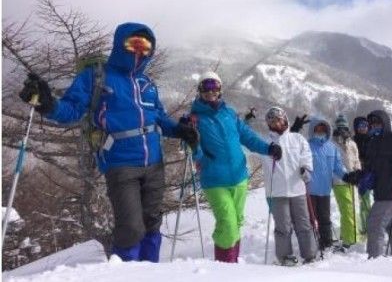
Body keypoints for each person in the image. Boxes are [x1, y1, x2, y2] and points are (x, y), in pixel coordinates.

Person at [18, 22, 199, 262]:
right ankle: (124, 272)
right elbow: (71, 109)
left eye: (145, 46)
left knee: (152, 224)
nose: (139, 50)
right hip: (120, 163)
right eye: (133, 43)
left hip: (155, 163)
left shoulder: (147, 84)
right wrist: (48, 105)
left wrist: (179, 130)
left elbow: (159, 118)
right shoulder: (96, 76)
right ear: (119, 44)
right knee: (131, 228)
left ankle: (151, 274)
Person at [190, 72, 282, 263]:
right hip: (215, 180)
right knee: (228, 224)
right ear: (200, 91)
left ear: (220, 89)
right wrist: (197, 154)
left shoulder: (229, 113)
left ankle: (232, 265)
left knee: (237, 222)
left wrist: (268, 148)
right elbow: (191, 147)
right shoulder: (195, 118)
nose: (210, 91)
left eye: (214, 86)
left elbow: (247, 136)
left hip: (240, 177)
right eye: (206, 87)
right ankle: (225, 268)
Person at [343, 110, 392, 259]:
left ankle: (375, 260)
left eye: (378, 123)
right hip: (381, 190)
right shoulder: (372, 143)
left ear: (385, 123)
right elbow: (370, 169)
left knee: (375, 223)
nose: (375, 126)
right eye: (372, 124)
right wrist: (357, 176)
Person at [258, 106, 316, 266]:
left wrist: (306, 168)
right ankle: (285, 257)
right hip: (277, 192)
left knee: (304, 223)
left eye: (278, 119)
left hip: (297, 189)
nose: (276, 123)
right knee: (283, 226)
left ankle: (310, 254)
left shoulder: (297, 139)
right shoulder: (265, 143)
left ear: (285, 119)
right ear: (268, 124)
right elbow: (248, 141)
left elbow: (306, 155)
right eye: (272, 120)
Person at [307, 118, 345, 251]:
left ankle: (326, 242)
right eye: (317, 129)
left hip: (325, 190)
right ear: (312, 130)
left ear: (327, 131)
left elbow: (338, 167)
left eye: (323, 130)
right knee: (311, 219)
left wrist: (348, 176)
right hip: (310, 190)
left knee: (325, 217)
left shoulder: (332, 148)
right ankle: (311, 243)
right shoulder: (306, 145)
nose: (320, 132)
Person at [331, 114, 362, 250]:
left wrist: (358, 173)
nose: (342, 130)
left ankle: (346, 234)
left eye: (344, 127)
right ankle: (351, 240)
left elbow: (356, 161)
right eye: (340, 127)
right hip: (339, 181)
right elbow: (333, 164)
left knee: (351, 208)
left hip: (352, 181)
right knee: (347, 209)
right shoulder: (332, 143)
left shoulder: (352, 143)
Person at [352, 116, 371, 235]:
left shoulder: (372, 138)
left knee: (379, 203)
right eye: (360, 126)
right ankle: (366, 227)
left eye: (365, 125)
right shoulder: (353, 141)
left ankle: (374, 226)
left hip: (373, 173)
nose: (363, 128)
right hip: (360, 174)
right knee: (364, 201)